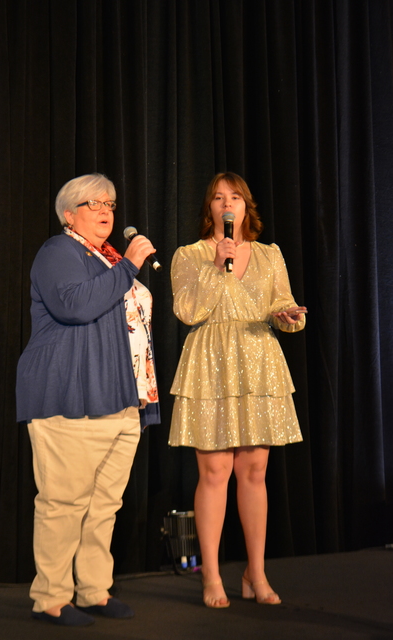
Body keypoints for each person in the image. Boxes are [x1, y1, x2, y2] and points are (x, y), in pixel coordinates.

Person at [16, 173, 160, 626]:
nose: (105, 211)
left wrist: (123, 266)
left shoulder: (109, 258)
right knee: (63, 504)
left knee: (104, 506)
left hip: (121, 399)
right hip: (71, 395)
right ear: (68, 214)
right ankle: (52, 598)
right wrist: (129, 267)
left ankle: (94, 590)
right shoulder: (58, 251)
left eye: (110, 204)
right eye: (93, 203)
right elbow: (74, 305)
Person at [169, 172, 306, 609]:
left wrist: (287, 316)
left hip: (258, 361)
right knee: (214, 472)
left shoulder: (269, 254)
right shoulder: (189, 255)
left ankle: (255, 573)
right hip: (210, 363)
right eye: (218, 197)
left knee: (254, 471)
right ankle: (211, 576)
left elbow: (281, 303)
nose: (226, 204)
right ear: (209, 208)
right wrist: (215, 265)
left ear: (247, 206)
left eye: (235, 197)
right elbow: (187, 311)